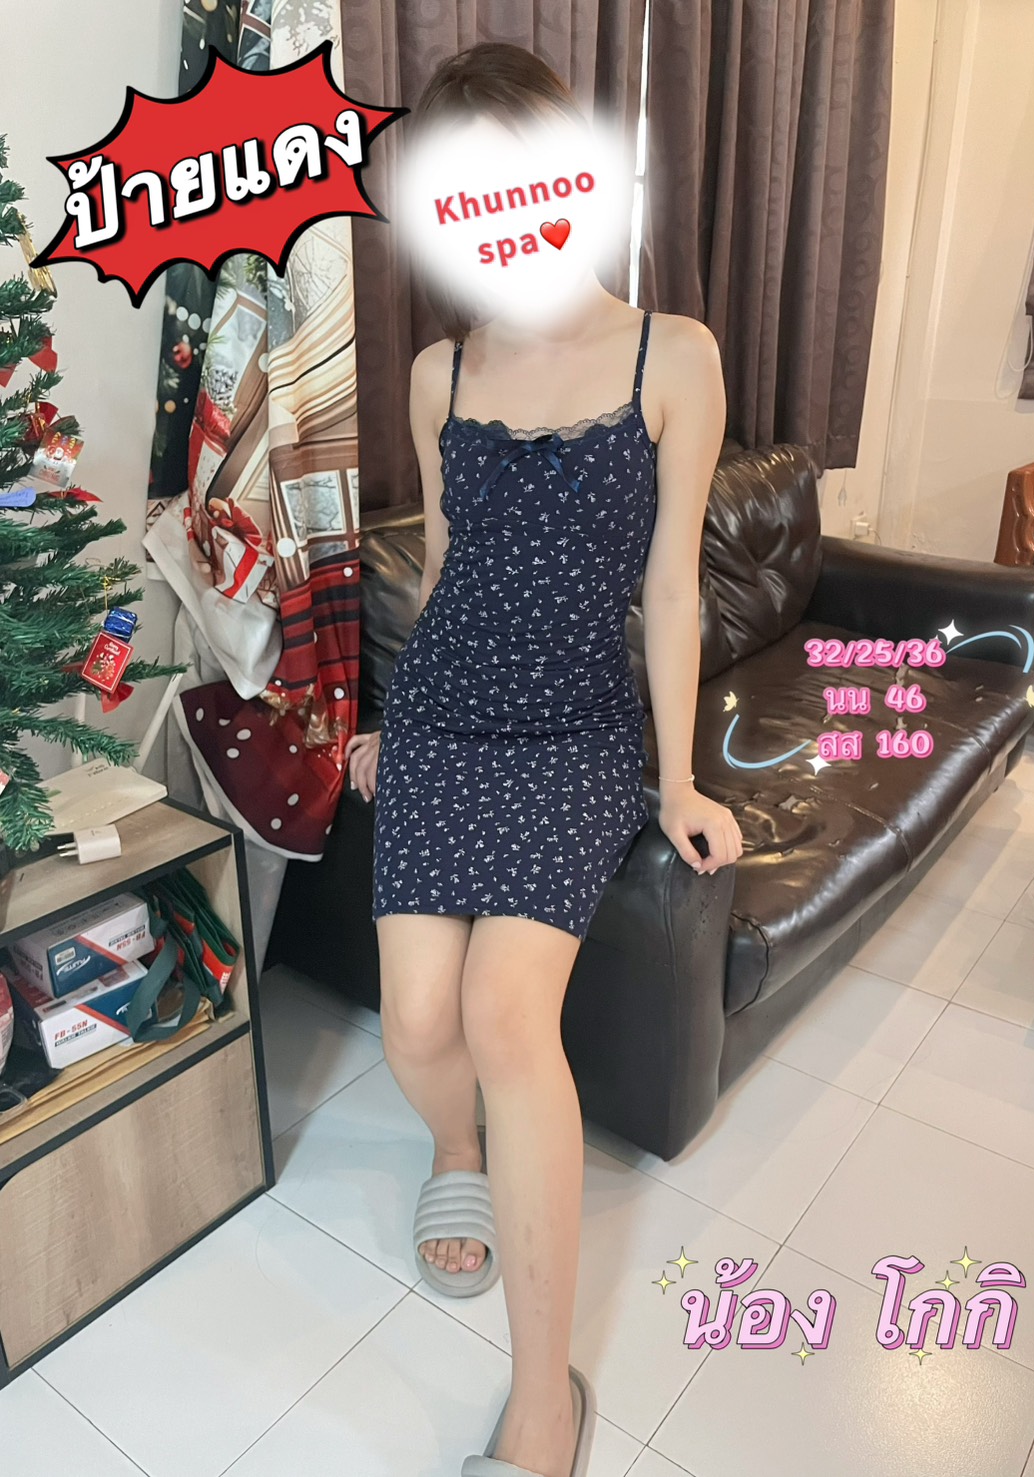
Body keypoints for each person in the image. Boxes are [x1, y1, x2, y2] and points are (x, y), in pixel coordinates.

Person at [345, 42, 743, 1477]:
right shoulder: (438, 372)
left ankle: (539, 1403)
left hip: (575, 730)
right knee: (414, 1026)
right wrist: (393, 714)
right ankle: (456, 1151)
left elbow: (674, 590)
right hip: (443, 716)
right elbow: (451, 562)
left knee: (507, 1016)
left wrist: (678, 776)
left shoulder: (670, 355)